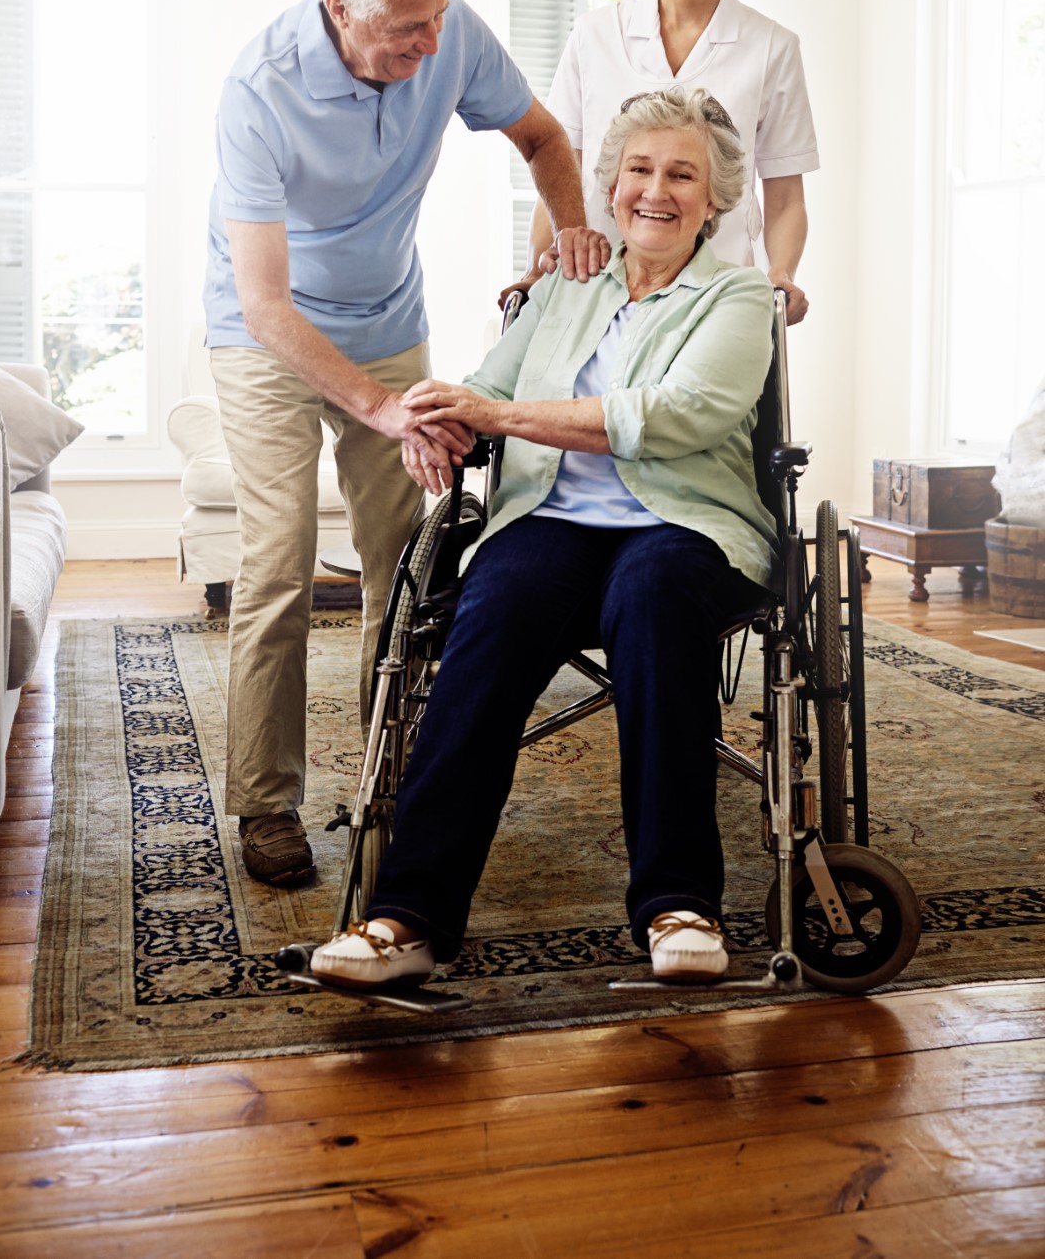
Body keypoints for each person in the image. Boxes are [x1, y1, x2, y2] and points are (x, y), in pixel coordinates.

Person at [309, 86, 778, 989]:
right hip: (552, 519)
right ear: (610, 186)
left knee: (651, 592)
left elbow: (675, 417)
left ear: (714, 199)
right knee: (495, 605)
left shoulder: (738, 295)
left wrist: (498, 410)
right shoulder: (565, 286)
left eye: (683, 174)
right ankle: (409, 915)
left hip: (685, 526)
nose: (657, 190)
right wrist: (446, 425)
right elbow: (488, 388)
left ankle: (680, 903)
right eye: (639, 169)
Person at [205, 0, 608, 886]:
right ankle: (266, 802)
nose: (432, 45)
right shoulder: (259, 89)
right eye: (404, 30)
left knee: (407, 553)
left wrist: (569, 239)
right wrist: (385, 409)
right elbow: (264, 308)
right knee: (279, 561)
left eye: (436, 19)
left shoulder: (449, 27)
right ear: (338, 7)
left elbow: (547, 139)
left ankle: (404, 778)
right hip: (267, 338)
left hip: (388, 324)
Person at [516, 0, 818, 324]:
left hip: (714, 304)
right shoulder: (595, 35)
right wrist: (534, 270)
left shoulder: (771, 48)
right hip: (595, 293)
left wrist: (781, 274)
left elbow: (784, 197)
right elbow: (559, 166)